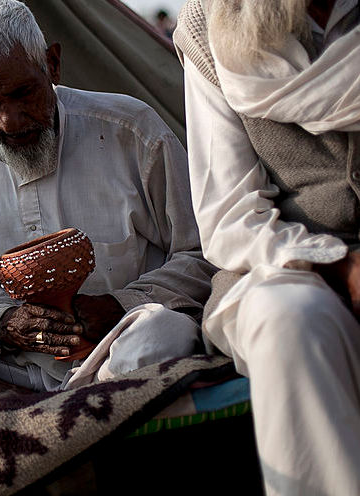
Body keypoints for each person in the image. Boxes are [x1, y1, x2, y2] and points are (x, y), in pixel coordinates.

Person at [0, 0, 215, 392]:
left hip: (123, 345)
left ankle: (88, 399)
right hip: (17, 364)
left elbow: (202, 253)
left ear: (52, 65)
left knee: (160, 334)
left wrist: (119, 305)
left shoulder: (131, 130)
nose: (9, 120)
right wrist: (5, 321)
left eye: (23, 93)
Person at [174, 0, 360, 493]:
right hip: (281, 261)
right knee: (290, 319)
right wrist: (341, 265)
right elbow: (230, 217)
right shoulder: (207, 24)